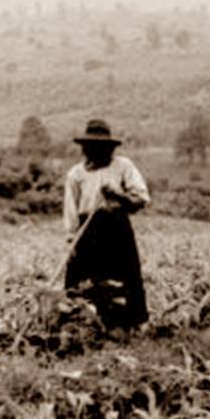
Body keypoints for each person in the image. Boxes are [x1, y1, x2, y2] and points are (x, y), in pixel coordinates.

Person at [61, 119, 150, 331]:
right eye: (91, 146)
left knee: (128, 276)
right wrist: (71, 239)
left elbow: (142, 199)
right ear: (85, 148)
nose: (96, 151)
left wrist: (118, 195)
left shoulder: (123, 166)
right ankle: (81, 325)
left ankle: (134, 324)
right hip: (87, 230)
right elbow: (71, 210)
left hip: (116, 227)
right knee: (80, 280)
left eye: (102, 147)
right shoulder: (76, 174)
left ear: (110, 148)